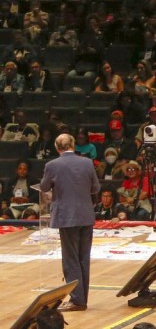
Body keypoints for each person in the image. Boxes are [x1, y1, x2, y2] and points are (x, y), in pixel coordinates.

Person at [40, 133, 100, 311]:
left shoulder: (52, 165)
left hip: (66, 217)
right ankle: (81, 298)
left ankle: (78, 300)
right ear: (73, 144)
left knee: (71, 259)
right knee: (83, 258)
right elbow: (96, 188)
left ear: (57, 147)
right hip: (86, 215)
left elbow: (43, 187)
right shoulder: (87, 163)